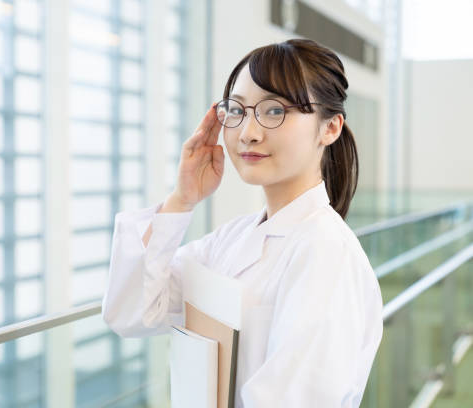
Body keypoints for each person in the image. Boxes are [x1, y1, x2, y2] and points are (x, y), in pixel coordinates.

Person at [101, 38, 384, 407]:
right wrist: (181, 199)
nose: (248, 132)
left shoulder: (326, 251)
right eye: (237, 110)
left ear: (329, 128)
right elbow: (133, 311)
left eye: (273, 111)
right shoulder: (234, 238)